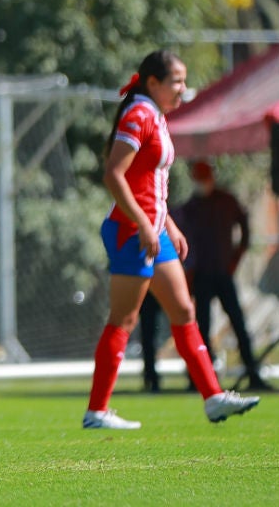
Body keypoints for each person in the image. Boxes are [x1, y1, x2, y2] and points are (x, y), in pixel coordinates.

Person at [84, 49, 260, 429]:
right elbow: (114, 175)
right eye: (176, 81)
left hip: (152, 230)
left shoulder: (156, 116)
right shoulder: (139, 114)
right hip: (133, 232)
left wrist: (167, 226)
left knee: (183, 311)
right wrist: (147, 226)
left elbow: (152, 187)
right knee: (124, 319)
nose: (183, 88)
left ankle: (214, 398)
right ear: (153, 83)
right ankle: (97, 411)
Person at [178, 160, 271, 390]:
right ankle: (201, 379)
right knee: (202, 328)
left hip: (223, 273)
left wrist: (236, 258)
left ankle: (253, 374)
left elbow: (245, 229)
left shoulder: (226, 201)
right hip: (201, 276)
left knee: (238, 324)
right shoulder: (190, 207)